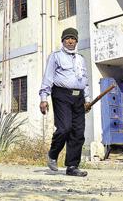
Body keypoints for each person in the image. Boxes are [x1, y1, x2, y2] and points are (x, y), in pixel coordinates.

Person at [39, 27, 91, 177]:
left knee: (78, 132)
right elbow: (48, 77)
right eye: (67, 38)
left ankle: (72, 166)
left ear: (76, 41)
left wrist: (87, 99)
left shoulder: (81, 59)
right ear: (63, 40)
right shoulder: (55, 56)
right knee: (64, 128)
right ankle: (53, 154)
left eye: (73, 38)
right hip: (61, 94)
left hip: (78, 97)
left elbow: (85, 81)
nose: (70, 41)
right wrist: (44, 98)